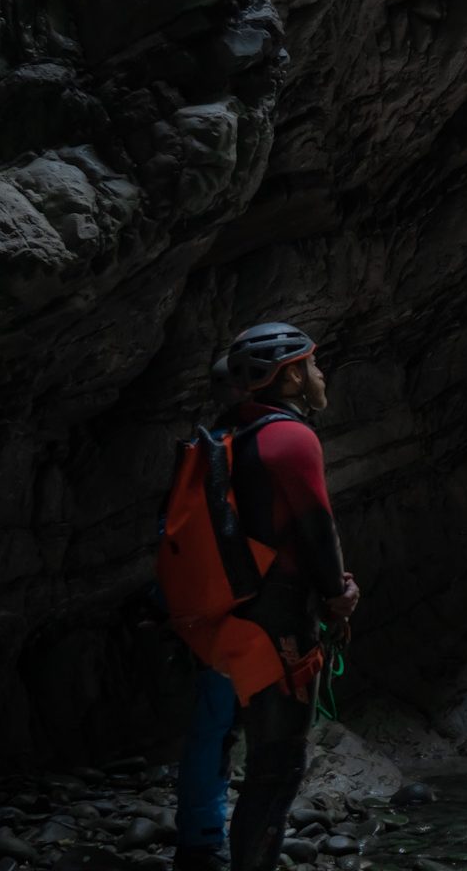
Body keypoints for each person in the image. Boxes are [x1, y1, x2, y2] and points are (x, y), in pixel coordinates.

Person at [216, 321, 360, 871]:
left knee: (263, 761)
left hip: (241, 612)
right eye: (313, 364)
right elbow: (316, 528)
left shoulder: (236, 428)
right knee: (276, 768)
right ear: (293, 374)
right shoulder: (291, 438)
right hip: (278, 621)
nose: (321, 373)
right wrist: (338, 596)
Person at [175, 359, 248, 871]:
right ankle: (204, 840)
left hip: (202, 605)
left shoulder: (201, 451)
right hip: (239, 609)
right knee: (221, 726)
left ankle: (201, 834)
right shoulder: (244, 451)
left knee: (214, 725)